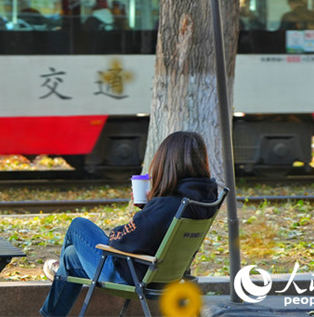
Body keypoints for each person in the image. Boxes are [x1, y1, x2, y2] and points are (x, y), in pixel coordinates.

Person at [39, 131, 218, 317]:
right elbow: (158, 227)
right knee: (70, 256)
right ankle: (53, 299)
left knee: (78, 226)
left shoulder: (165, 205)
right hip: (169, 277)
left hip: (131, 276)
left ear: (168, 163)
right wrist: (149, 207)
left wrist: (145, 212)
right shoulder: (203, 200)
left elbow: (121, 241)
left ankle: (56, 284)